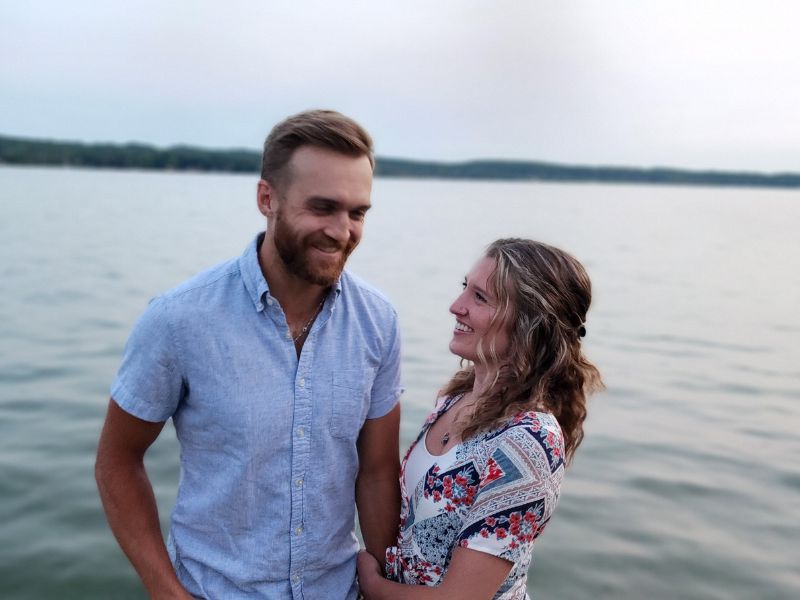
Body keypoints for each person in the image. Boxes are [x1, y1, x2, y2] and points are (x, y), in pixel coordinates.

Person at [95, 110, 404, 599]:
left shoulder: (378, 322)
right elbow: (117, 460)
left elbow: (378, 470)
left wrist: (391, 586)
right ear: (267, 198)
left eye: (358, 212)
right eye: (323, 207)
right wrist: (165, 590)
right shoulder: (179, 320)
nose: (342, 231)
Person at [356, 238, 603, 600]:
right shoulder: (455, 399)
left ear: (528, 322)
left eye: (481, 298)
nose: (457, 307)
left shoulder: (529, 438)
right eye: (464, 289)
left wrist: (374, 586)